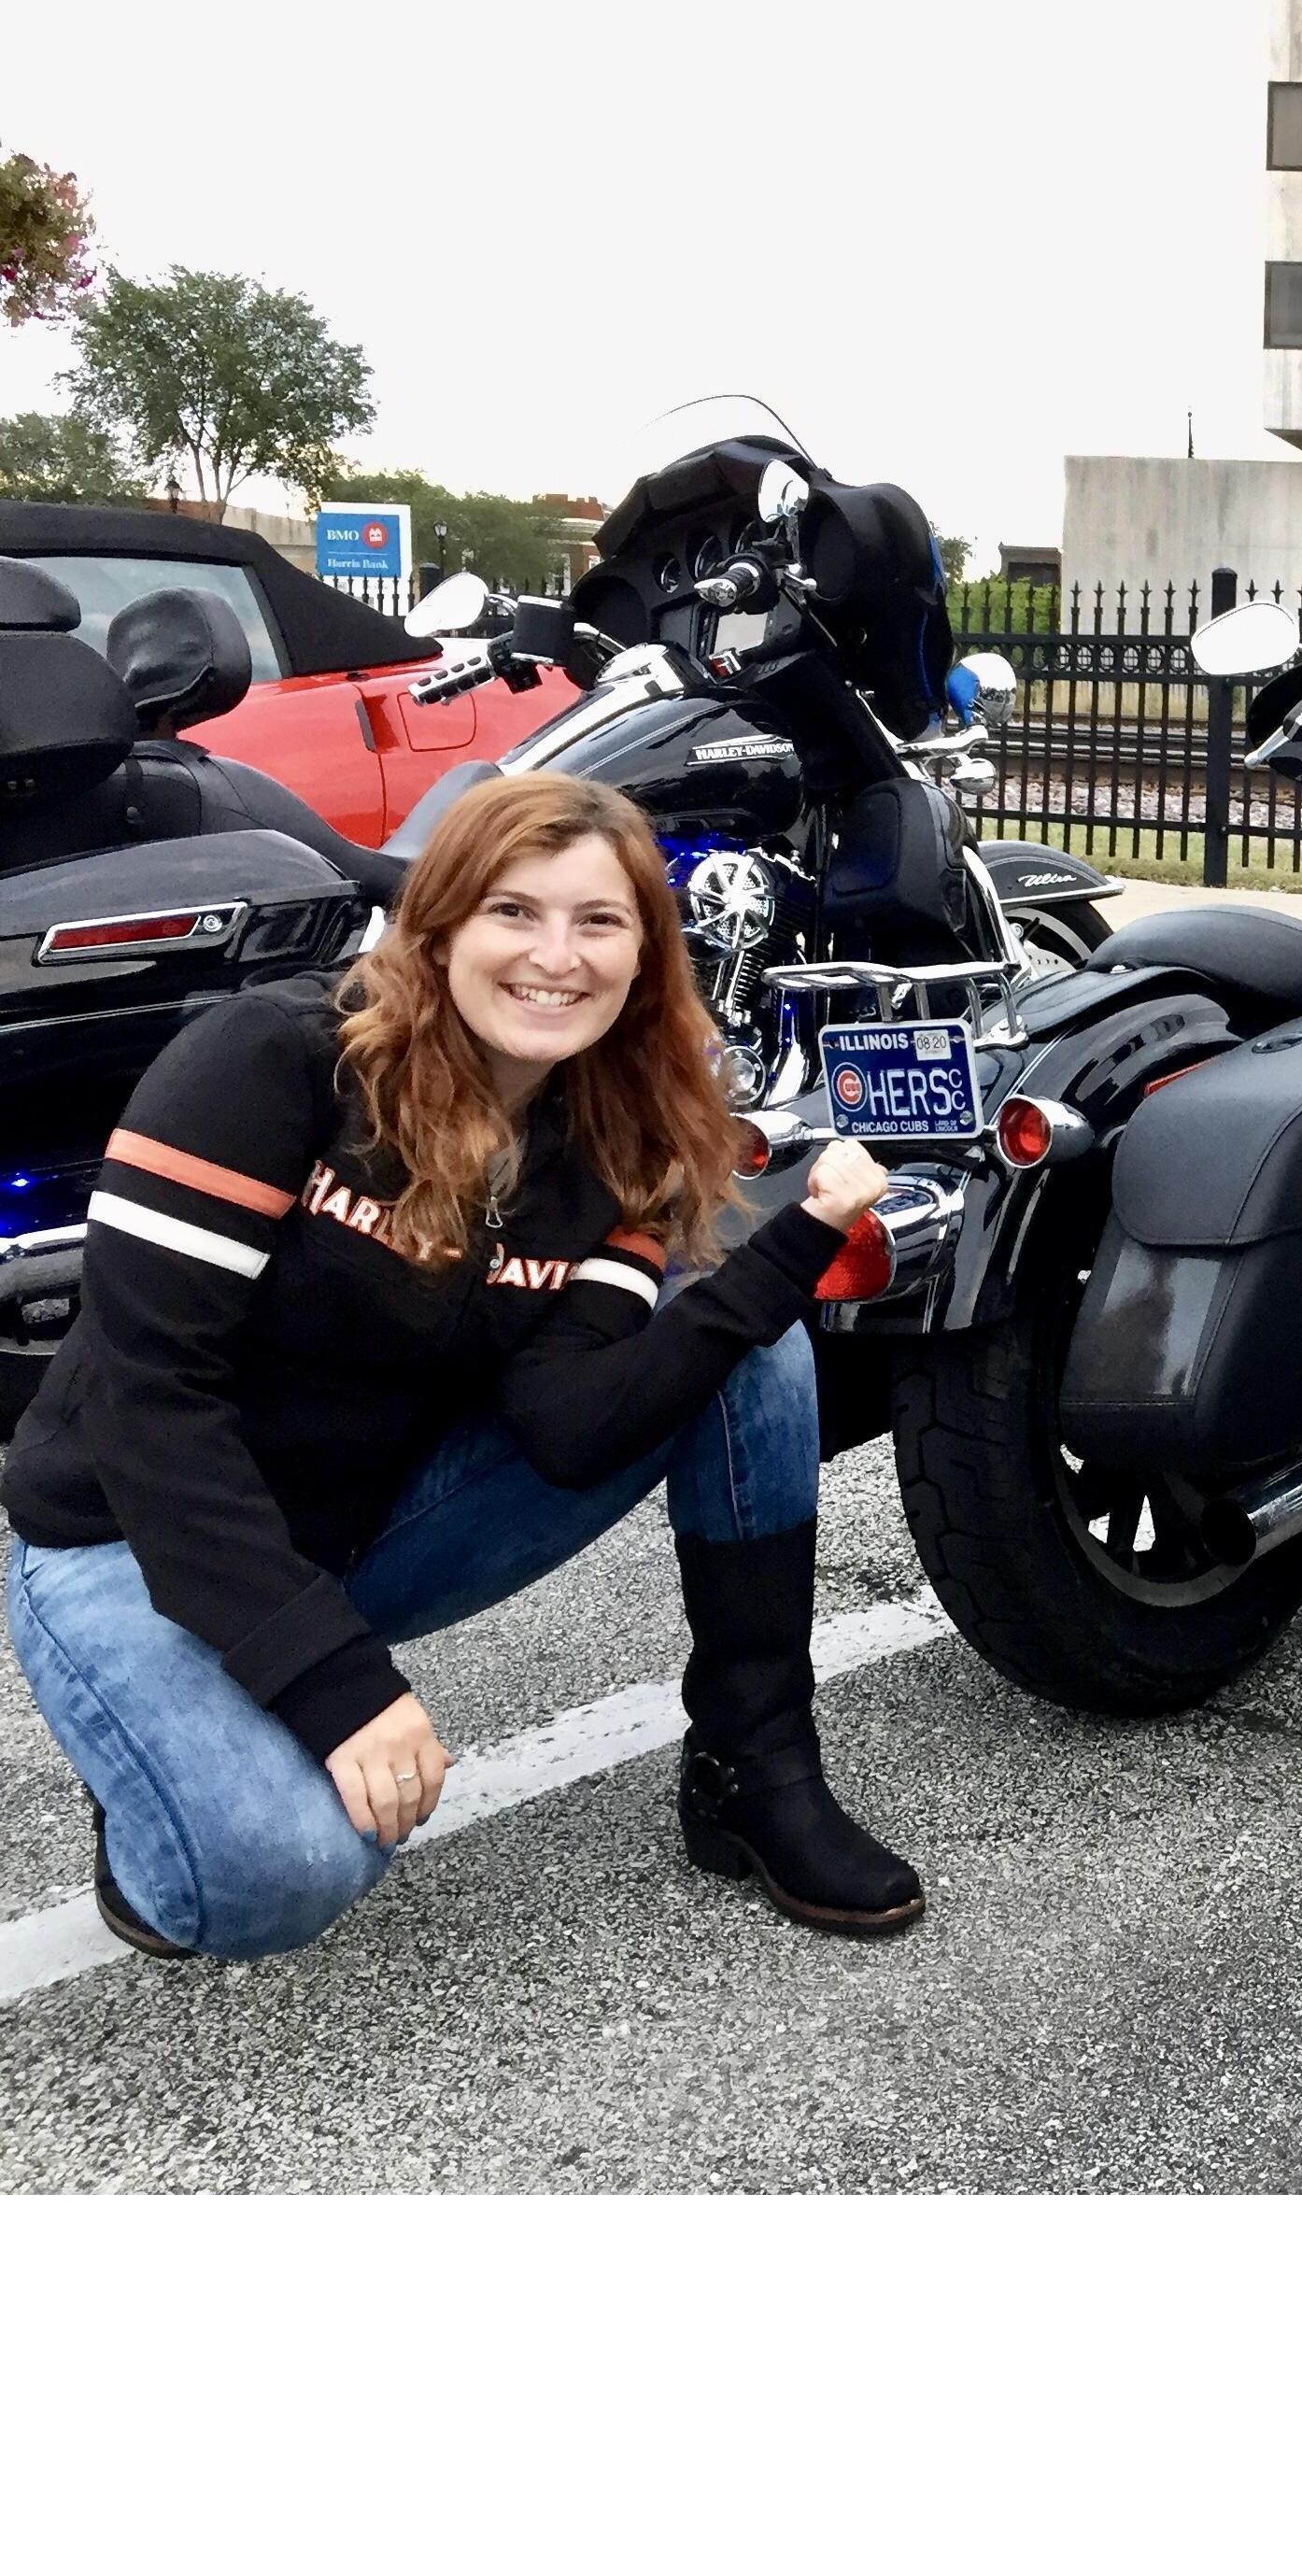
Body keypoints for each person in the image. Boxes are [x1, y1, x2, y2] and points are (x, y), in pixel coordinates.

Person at [4, 771, 927, 1955]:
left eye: (600, 922)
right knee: (269, 1874)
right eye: (513, 912)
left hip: (355, 1532)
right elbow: (147, 1405)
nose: (558, 955)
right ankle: (153, 1745)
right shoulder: (272, 1063)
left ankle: (757, 1765)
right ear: (437, 925)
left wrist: (796, 1244)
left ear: (647, 956)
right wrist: (337, 1686)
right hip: (121, 1535)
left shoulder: (613, 1141)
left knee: (754, 1358)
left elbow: (575, 1426)